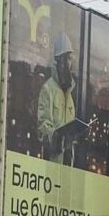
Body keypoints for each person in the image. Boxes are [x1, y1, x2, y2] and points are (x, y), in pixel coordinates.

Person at [37, 32, 82, 165]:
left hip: (68, 164)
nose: (68, 63)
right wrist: (58, 138)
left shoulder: (69, 94)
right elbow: (43, 127)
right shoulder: (48, 89)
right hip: (52, 163)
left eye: (70, 58)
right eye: (66, 58)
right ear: (58, 60)